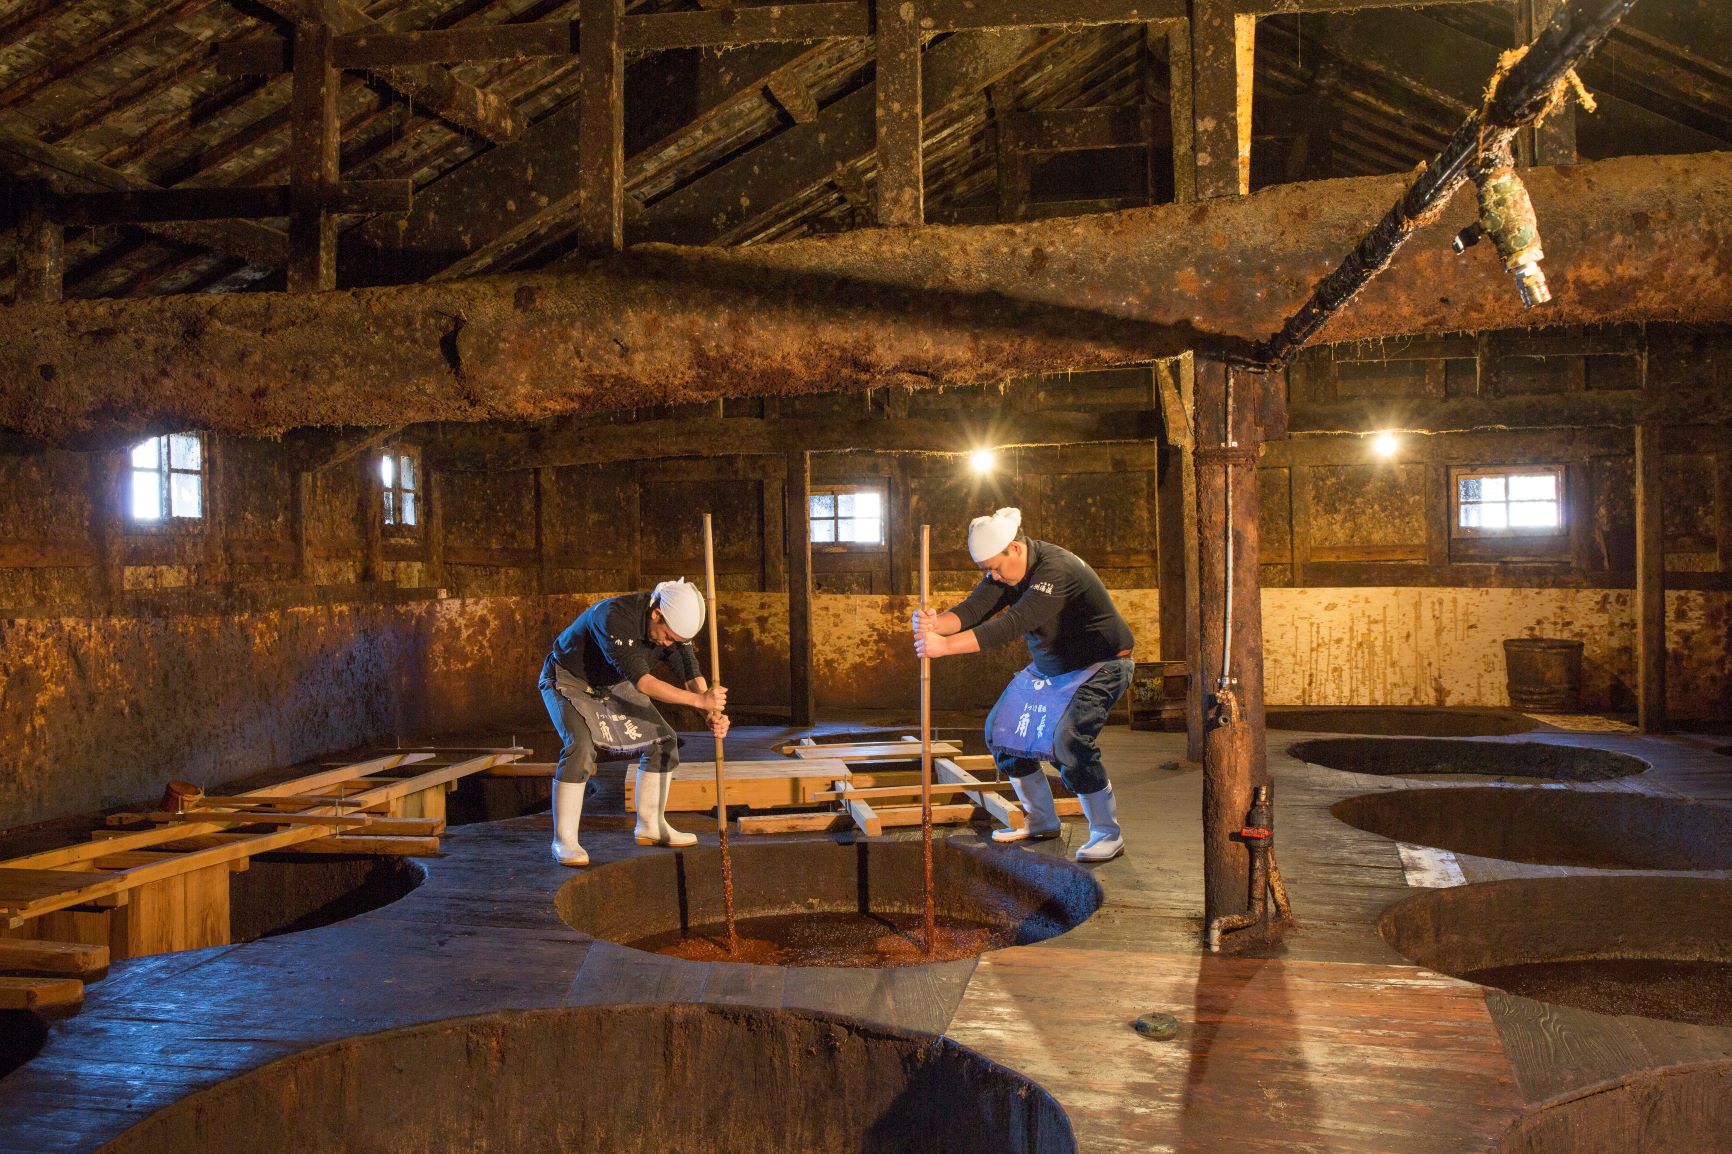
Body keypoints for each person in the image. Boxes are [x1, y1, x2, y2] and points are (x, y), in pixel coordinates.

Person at [912, 508, 1132, 862]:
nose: (993, 575)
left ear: (1015, 548)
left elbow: (1013, 623)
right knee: (1001, 734)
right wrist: (935, 625)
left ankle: (1107, 833)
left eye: (995, 566)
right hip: (1049, 671)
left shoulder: (1055, 570)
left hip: (1101, 665)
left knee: (1069, 741)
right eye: (987, 570)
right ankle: (1041, 820)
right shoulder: (1005, 572)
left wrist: (946, 646)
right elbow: (972, 610)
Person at [538, 579, 729, 867]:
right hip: (568, 679)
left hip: (613, 683)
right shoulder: (614, 616)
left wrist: (710, 712)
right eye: (667, 637)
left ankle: (651, 826)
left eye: (677, 641)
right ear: (656, 614)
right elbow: (643, 682)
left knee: (664, 741)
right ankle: (564, 840)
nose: (668, 644)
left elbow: (689, 672)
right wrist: (701, 702)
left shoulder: (671, 631)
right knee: (580, 747)